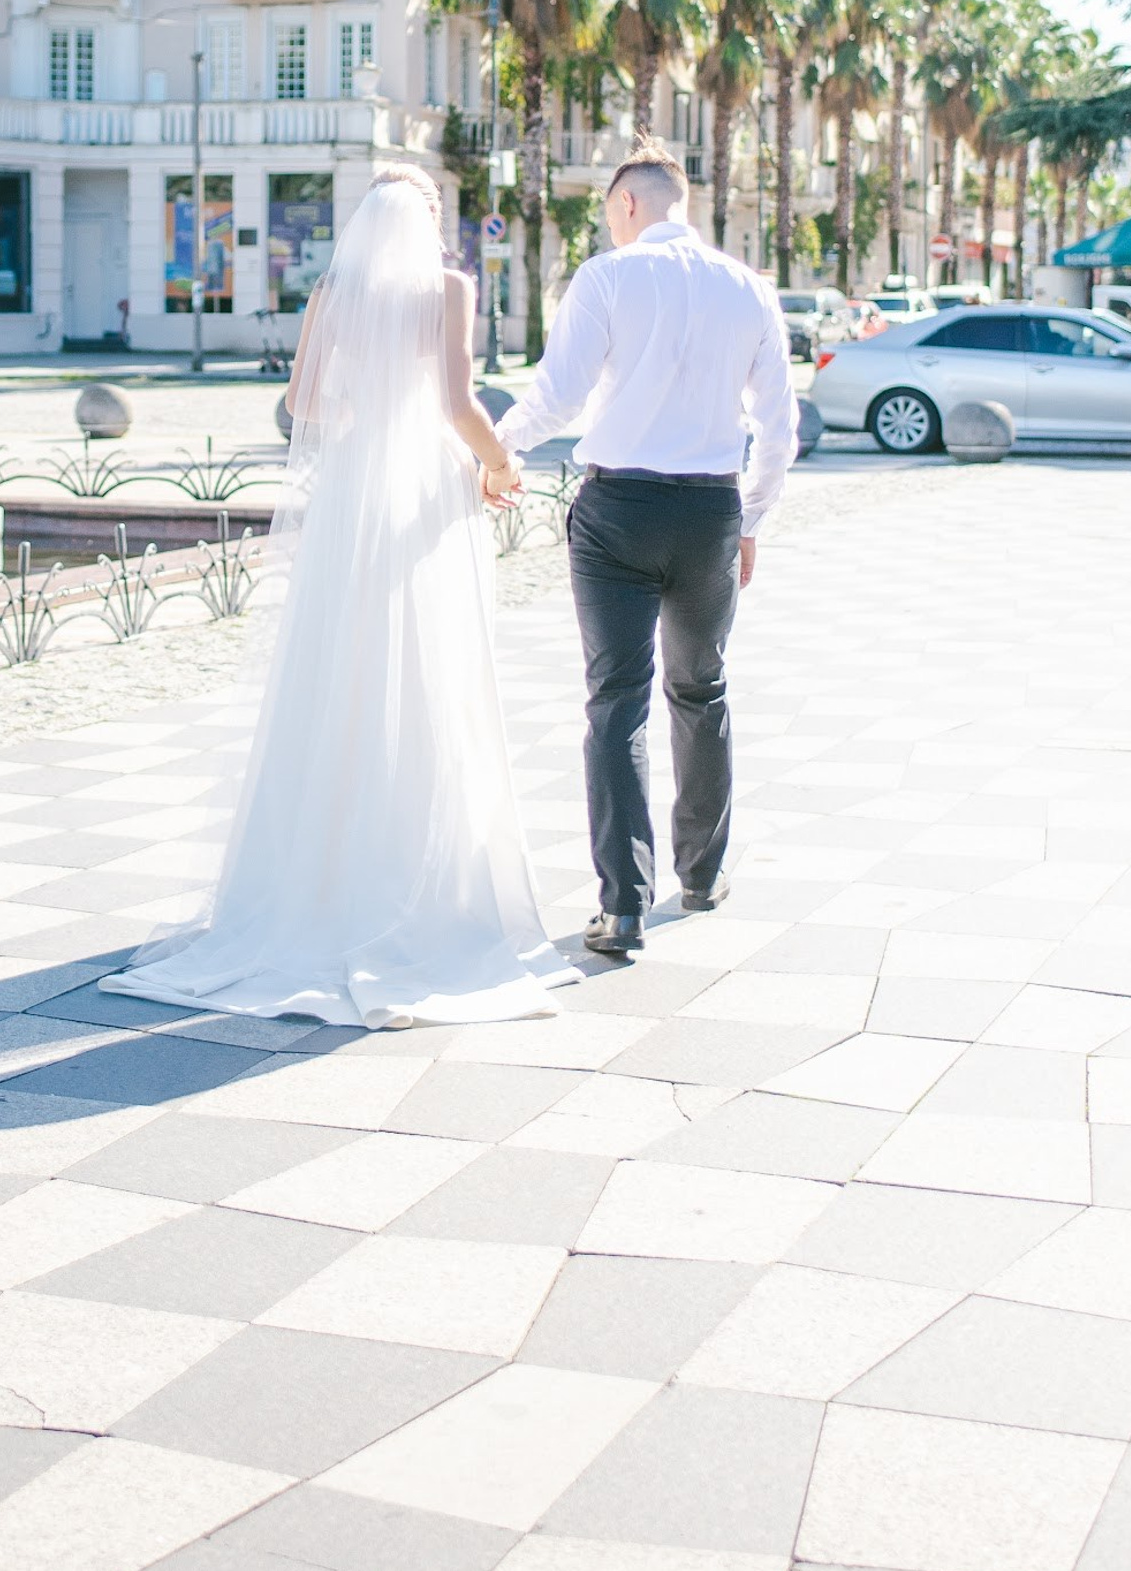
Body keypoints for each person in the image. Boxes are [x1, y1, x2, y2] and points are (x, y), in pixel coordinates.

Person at [104, 160, 577, 1030]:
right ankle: (419, 877)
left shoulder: (333, 292)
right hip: (426, 485)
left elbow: (303, 401)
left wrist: (368, 428)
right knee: (429, 674)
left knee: (335, 668)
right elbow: (458, 399)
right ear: (429, 220)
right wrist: (500, 464)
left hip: (355, 489)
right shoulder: (447, 287)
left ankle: (311, 881)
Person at [496, 137, 797, 957]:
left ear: (627, 204)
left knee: (617, 701)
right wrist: (753, 522)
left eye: (608, 213)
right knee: (702, 689)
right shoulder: (749, 289)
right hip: (709, 512)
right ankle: (701, 875)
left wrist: (495, 451)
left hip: (617, 508)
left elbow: (555, 398)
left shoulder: (607, 276)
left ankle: (623, 907)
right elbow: (780, 429)